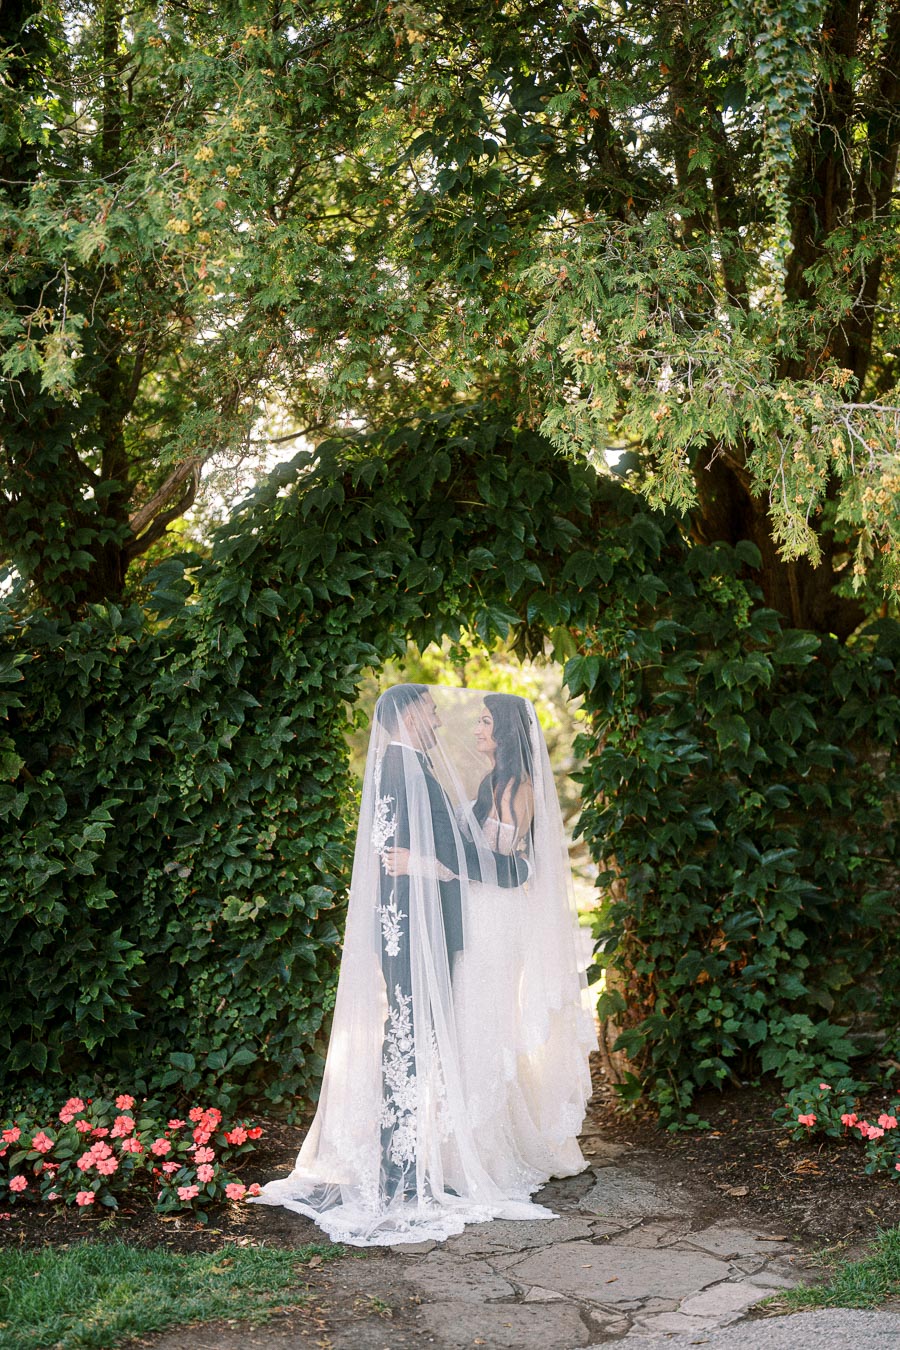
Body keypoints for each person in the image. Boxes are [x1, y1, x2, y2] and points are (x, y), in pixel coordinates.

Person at [248, 684, 597, 1245]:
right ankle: (438, 1153)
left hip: (488, 917)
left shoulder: (505, 786)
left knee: (471, 1028)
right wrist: (424, 865)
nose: (455, 723)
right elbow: (458, 849)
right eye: (434, 711)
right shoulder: (426, 772)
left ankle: (463, 1151)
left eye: (484, 722)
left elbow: (492, 860)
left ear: (505, 734)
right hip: (450, 918)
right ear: (411, 714)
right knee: (449, 1029)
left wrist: (431, 865)